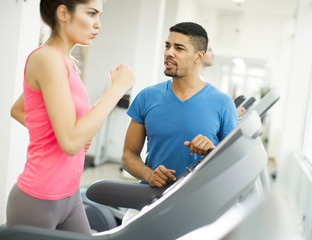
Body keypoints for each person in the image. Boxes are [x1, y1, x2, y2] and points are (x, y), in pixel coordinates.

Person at [6, 0, 135, 235]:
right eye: (92, 13)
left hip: (70, 195)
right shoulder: (46, 59)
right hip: (38, 199)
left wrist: (61, 132)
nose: (98, 24)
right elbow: (71, 142)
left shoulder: (67, 62)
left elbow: (20, 109)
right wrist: (117, 89)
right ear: (63, 12)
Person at [121, 22, 238, 189]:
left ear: (199, 57)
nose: (169, 53)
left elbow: (233, 161)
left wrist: (213, 151)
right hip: (152, 199)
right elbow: (128, 156)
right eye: (167, 46)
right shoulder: (147, 97)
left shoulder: (223, 103)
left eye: (179, 48)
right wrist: (149, 175)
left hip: (199, 200)